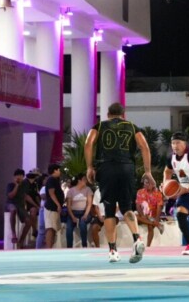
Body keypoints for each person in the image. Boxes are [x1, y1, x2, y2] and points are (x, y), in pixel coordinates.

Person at [85, 102, 154, 263]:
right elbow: (144, 146)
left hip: (107, 168)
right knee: (127, 208)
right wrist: (148, 171)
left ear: (108, 114)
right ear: (123, 115)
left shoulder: (100, 126)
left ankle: (113, 251)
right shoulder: (132, 127)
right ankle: (137, 238)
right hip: (127, 168)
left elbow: (88, 143)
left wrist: (89, 167)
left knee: (109, 210)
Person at [134, 175, 164, 247]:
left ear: (153, 184)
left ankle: (148, 246)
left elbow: (159, 206)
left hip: (152, 216)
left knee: (150, 225)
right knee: (134, 216)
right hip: (143, 215)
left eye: (149, 183)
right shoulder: (140, 192)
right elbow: (138, 205)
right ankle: (157, 225)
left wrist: (156, 219)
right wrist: (142, 215)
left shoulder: (158, 193)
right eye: (145, 183)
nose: (147, 185)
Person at [65, 173, 93, 248]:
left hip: (84, 212)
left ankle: (84, 245)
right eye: (84, 179)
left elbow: (89, 204)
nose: (86, 181)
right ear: (79, 180)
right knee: (69, 229)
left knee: (82, 224)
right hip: (73, 212)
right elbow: (68, 205)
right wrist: (72, 216)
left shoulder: (88, 189)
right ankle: (69, 247)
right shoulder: (71, 191)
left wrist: (86, 214)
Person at [43, 164, 65, 248]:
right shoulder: (51, 180)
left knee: (54, 228)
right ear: (55, 170)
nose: (59, 171)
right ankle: (48, 247)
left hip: (54, 208)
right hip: (50, 208)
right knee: (50, 228)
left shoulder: (55, 180)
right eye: (58, 170)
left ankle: (51, 246)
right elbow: (51, 193)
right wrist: (58, 204)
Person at [5, 168, 25, 246]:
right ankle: (14, 234)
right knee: (13, 210)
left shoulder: (24, 186)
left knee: (28, 220)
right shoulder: (10, 185)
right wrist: (17, 185)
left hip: (20, 205)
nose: (19, 177)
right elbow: (11, 196)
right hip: (10, 203)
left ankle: (22, 240)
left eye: (21, 176)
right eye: (17, 176)